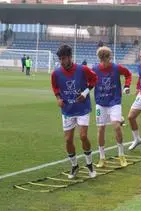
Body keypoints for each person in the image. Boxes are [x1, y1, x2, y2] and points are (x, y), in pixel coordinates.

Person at [51, 44, 98, 179]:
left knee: (83, 136)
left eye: (64, 58)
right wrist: (58, 98)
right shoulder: (56, 73)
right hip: (67, 109)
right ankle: (74, 165)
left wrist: (85, 92)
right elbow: (55, 87)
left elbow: (94, 80)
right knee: (68, 140)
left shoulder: (82, 69)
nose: (62, 61)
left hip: (82, 108)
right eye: (60, 59)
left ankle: (89, 164)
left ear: (70, 57)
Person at [93, 46, 132, 168]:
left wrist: (126, 85)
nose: (106, 61)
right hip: (100, 103)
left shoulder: (116, 67)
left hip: (114, 101)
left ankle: (121, 155)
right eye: (103, 58)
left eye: (107, 58)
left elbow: (128, 74)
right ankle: (102, 157)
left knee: (116, 126)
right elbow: (87, 80)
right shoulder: (94, 69)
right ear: (100, 58)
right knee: (100, 129)